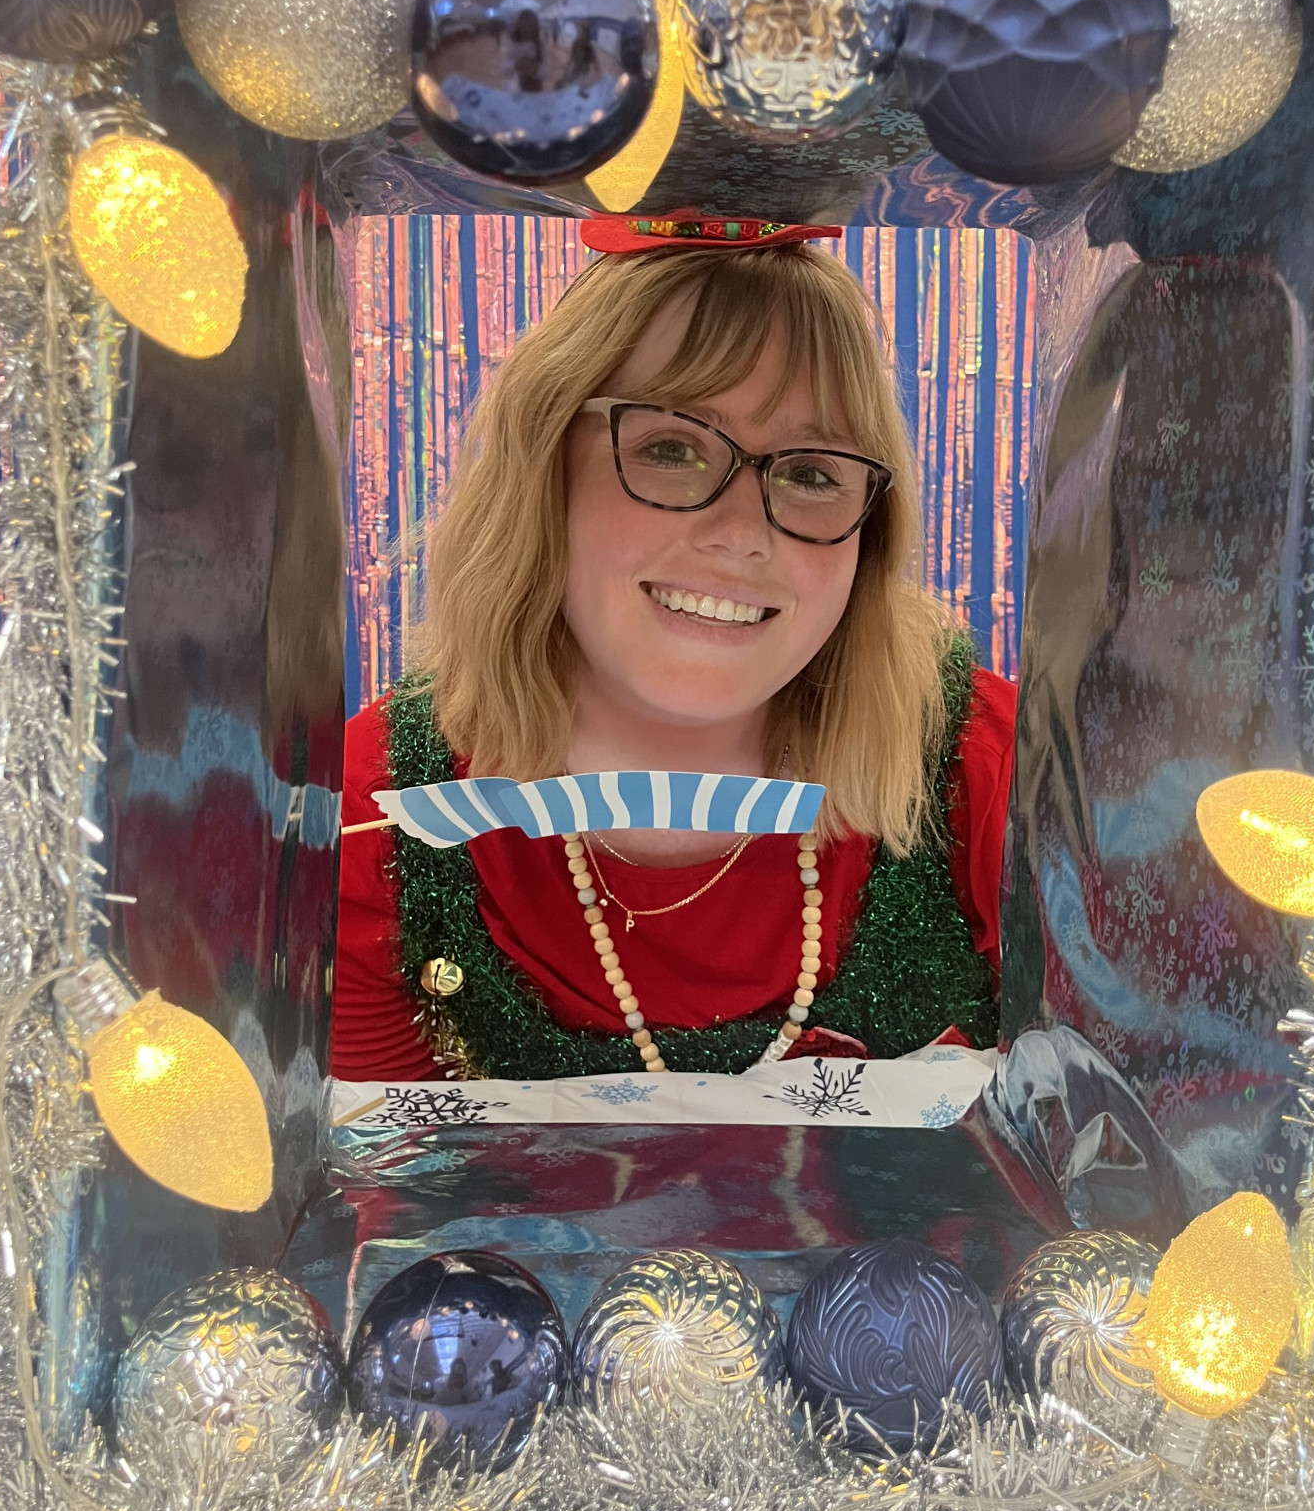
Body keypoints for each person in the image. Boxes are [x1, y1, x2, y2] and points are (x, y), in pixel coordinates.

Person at [332, 216, 1016, 1082]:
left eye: (811, 473)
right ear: (542, 472)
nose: (742, 534)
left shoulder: (993, 771)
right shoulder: (369, 820)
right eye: (670, 448)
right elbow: (381, 1162)